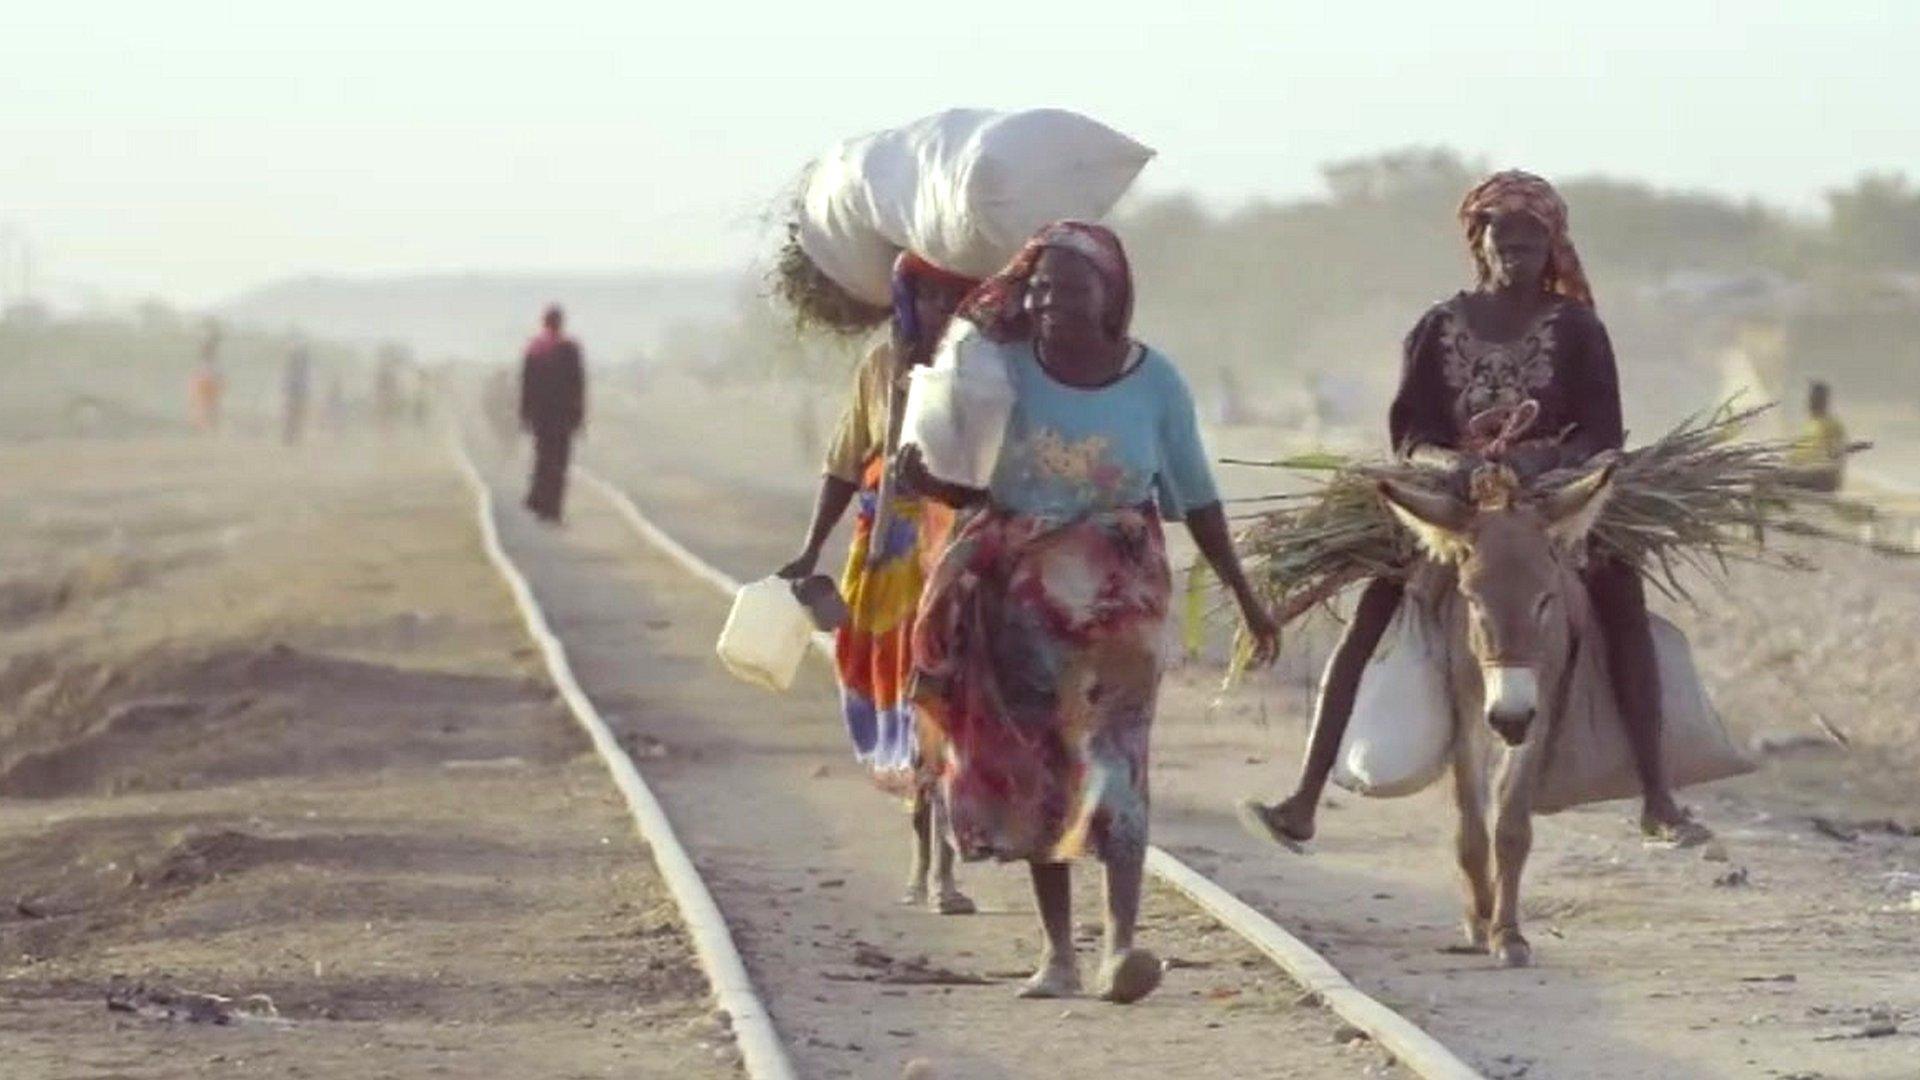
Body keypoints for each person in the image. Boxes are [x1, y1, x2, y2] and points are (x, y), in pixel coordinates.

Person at [1240, 170, 1711, 851]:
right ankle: (1304, 797)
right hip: (1457, 502)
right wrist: (1455, 467)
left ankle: (1658, 798)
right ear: (1479, 241)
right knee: (1374, 609)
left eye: (1533, 235)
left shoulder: (1578, 328)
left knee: (1620, 597)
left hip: (1551, 500)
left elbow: (1602, 432)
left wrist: (1539, 465)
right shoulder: (1438, 326)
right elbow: (1409, 436)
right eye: (1503, 233)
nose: (1516, 246)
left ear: (1554, 246)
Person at [901, 222, 1280, 1004]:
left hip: (1120, 598)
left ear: (1111, 296)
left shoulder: (1156, 383)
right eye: (1039, 285)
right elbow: (970, 483)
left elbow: (1198, 501)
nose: (1050, 301)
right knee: (1043, 770)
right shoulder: (1001, 371)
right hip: (1022, 599)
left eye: (1071, 287)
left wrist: (1246, 597)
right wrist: (928, 480)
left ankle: (1121, 945)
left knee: (1115, 765)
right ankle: (1057, 955)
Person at [777, 252, 981, 914]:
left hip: (956, 554)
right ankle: (925, 853)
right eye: (930, 301)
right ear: (906, 302)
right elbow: (842, 466)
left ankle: (944, 864)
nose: (941, 314)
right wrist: (810, 547)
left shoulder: (986, 370)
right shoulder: (879, 369)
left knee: (951, 701)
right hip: (889, 563)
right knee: (903, 701)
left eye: (956, 302)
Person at [519, 305, 587, 523]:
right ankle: (551, 506)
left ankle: (539, 500)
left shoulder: (535, 349)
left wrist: (525, 412)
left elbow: (527, 384)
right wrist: (579, 414)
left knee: (543, 457)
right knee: (559, 461)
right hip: (562, 414)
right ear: (561, 322)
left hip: (541, 415)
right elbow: (578, 384)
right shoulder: (570, 348)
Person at [1787, 381, 1847, 492]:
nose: (1810, 402)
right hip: (1802, 472)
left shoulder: (1833, 425)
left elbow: (1838, 457)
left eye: (1815, 399)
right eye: (1811, 398)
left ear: (1824, 401)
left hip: (1821, 475)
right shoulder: (1809, 424)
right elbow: (1798, 452)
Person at [189, 322, 225, 433]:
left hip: (208, 376)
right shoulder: (206, 358)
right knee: (205, 404)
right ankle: (205, 426)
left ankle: (209, 426)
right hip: (206, 376)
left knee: (210, 404)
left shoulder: (209, 359)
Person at [282, 338, 312, 445]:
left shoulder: (300, 365)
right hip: (297, 392)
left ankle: (292, 436)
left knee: (295, 415)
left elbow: (290, 378)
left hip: (297, 392)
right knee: (293, 414)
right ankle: (291, 436)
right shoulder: (299, 365)